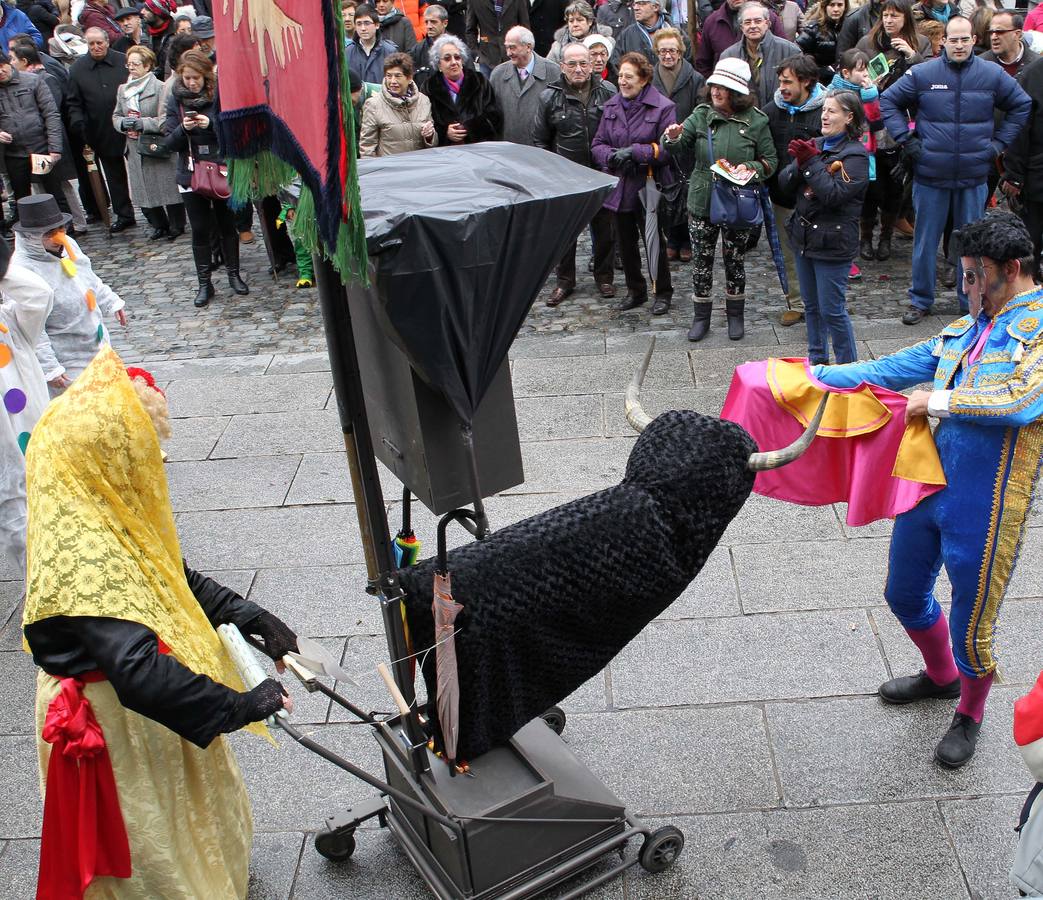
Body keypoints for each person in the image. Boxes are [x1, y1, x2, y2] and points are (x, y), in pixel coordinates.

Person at [22, 345, 298, 898]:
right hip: (118, 720)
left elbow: (171, 577)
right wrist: (239, 706)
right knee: (155, 844)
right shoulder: (85, 551)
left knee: (189, 813)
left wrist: (250, 616)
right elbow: (139, 671)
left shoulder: (95, 504)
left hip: (154, 709)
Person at [812, 210, 1043, 768]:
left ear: (1010, 270)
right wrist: (804, 376)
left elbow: (1021, 401)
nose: (965, 287)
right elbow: (894, 368)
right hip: (932, 486)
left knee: (972, 624)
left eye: (974, 276)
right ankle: (941, 677)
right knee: (903, 591)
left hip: (989, 503)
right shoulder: (968, 327)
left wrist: (934, 401)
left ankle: (970, 709)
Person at [881, 15, 1030, 325]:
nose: (959, 44)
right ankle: (920, 300)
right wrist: (907, 141)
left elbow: (1022, 105)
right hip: (930, 173)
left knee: (971, 244)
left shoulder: (991, 74)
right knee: (925, 240)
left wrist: (997, 145)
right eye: (954, 39)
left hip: (973, 175)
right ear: (943, 41)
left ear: (973, 40)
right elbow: (888, 101)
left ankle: (971, 300)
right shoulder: (923, 73)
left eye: (965, 39)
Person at [663, 57, 777, 341]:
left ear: (737, 93)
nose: (716, 91)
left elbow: (770, 161)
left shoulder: (756, 121)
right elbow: (676, 146)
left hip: (738, 201)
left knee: (734, 259)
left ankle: (735, 316)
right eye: (714, 85)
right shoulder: (701, 114)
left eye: (723, 87)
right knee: (701, 260)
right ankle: (701, 317)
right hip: (703, 199)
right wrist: (672, 137)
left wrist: (749, 169)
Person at [778, 90, 868, 363]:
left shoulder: (857, 157)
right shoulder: (816, 144)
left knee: (832, 310)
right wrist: (802, 164)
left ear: (849, 117)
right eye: (824, 110)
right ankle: (817, 361)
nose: (825, 116)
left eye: (832, 111)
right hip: (804, 239)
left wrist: (810, 163)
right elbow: (784, 183)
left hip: (833, 243)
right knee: (812, 307)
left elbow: (832, 195)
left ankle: (848, 369)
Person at [12, 194, 125, 394]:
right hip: (66, 358)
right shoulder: (22, 271)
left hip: (96, 344)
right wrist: (50, 367)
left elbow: (88, 277)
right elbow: (30, 327)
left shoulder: (68, 245)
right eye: (50, 233)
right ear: (31, 237)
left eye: (61, 229)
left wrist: (110, 301)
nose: (59, 236)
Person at [533, 41, 618, 304]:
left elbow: (617, 132)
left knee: (605, 231)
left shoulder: (608, 91)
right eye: (572, 64)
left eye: (583, 63)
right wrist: (552, 173)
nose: (578, 68)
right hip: (567, 177)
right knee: (566, 234)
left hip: (601, 173)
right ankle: (564, 281)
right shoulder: (548, 97)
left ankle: (605, 278)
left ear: (592, 65)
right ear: (562, 66)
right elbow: (539, 140)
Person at [592, 51, 676, 313]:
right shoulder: (612, 106)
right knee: (625, 244)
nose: (623, 81)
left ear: (643, 79)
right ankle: (635, 290)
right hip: (620, 187)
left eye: (629, 77)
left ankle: (662, 291)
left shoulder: (663, 107)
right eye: (620, 77)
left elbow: (667, 149)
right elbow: (597, 144)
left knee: (653, 242)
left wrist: (636, 152)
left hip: (648, 185)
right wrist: (612, 157)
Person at [164, 49, 248, 307]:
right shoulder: (175, 101)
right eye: (187, 78)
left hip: (219, 168)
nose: (191, 83)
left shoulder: (218, 96)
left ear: (206, 77)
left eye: (196, 78)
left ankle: (234, 274)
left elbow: (234, 133)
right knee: (199, 228)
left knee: (226, 224)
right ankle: (204, 282)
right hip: (191, 172)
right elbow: (169, 141)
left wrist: (210, 125)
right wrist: (183, 129)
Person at [856, 0, 929, 262]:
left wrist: (912, 55)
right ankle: (865, 237)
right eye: (885, 15)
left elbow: (929, 77)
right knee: (869, 184)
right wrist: (864, 81)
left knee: (895, 186)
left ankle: (886, 235)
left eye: (895, 16)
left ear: (905, 19)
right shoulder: (867, 42)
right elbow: (851, 73)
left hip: (903, 123)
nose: (889, 20)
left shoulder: (919, 42)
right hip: (869, 124)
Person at [0, 235, 51, 580]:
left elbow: (38, 295)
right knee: (12, 500)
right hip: (5, 444)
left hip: (31, 429)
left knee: (40, 493)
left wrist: (2, 270)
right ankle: (40, 581)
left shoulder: (10, 323)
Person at [763, 52, 824, 326]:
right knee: (788, 254)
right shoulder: (771, 110)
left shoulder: (825, 111)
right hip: (782, 196)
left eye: (788, 82)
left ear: (807, 82)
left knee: (819, 253)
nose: (782, 87)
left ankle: (823, 304)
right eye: (780, 82)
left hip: (816, 199)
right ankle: (797, 303)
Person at [67, 27, 137, 232]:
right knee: (113, 174)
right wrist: (78, 123)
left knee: (140, 170)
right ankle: (124, 214)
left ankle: (154, 211)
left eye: (99, 42)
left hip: (129, 125)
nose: (96, 47)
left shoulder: (123, 61)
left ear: (107, 41)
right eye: (91, 44)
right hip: (99, 129)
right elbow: (73, 102)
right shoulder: (78, 69)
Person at [113, 44, 184, 240]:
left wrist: (141, 123)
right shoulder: (123, 90)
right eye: (129, 65)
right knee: (144, 190)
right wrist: (121, 123)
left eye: (136, 64)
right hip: (135, 146)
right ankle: (158, 225)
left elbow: (165, 118)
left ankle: (177, 225)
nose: (132, 68)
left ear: (147, 65)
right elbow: (116, 115)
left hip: (156, 144)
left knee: (166, 186)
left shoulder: (160, 87)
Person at [652, 27, 703, 262]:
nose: (667, 55)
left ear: (680, 51)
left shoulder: (695, 78)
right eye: (662, 51)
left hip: (687, 143)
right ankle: (671, 237)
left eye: (672, 50)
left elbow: (701, 110)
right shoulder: (650, 78)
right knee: (666, 192)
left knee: (686, 192)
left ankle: (686, 240)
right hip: (660, 142)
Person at [0, 49, 71, 219]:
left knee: (55, 193)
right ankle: (30, 234)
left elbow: (51, 114)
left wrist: (54, 148)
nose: (0, 72)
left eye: (2, 66)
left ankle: (66, 229)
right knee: (22, 199)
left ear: (9, 63)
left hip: (41, 147)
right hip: (14, 152)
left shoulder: (32, 81)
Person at [422, 34, 503, 144]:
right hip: (445, 153)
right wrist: (445, 132)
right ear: (439, 65)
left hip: (478, 150)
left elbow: (494, 116)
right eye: (447, 58)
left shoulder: (479, 81)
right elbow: (425, 122)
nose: (454, 62)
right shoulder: (429, 87)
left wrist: (469, 128)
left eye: (457, 57)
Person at [1003, 56, 1043, 278]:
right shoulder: (1033, 74)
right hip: (1037, 178)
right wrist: (1015, 174)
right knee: (1030, 247)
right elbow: (1020, 126)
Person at [719, 1, 802, 103]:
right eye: (748, 22)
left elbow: (801, 90)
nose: (753, 26)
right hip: (743, 115)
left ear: (767, 24)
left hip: (781, 113)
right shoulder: (728, 56)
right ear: (742, 27)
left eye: (758, 21)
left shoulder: (790, 51)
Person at [489, 25, 559, 144]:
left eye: (513, 48)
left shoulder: (553, 72)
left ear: (528, 47)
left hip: (541, 152)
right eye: (507, 48)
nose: (508, 53)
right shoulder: (498, 74)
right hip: (508, 149)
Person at [360, 52, 437, 155]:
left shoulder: (424, 101)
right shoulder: (373, 105)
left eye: (397, 76)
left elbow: (433, 143)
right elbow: (367, 147)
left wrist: (430, 136)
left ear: (409, 78)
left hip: (419, 166)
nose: (392, 81)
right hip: (389, 169)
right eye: (389, 76)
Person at [695, 0, 788, 79]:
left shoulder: (768, 17)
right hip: (728, 92)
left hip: (767, 91)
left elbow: (785, 54)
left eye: (757, 21)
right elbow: (703, 63)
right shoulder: (712, 22)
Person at [611, 0, 687, 67]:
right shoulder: (626, 36)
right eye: (634, 4)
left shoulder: (678, 34)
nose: (636, 8)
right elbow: (616, 64)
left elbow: (686, 67)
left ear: (656, 7)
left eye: (641, 3)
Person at [466, 0, 530, 75]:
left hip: (514, 58)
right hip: (487, 59)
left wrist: (523, 52)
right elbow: (470, 30)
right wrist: (477, 55)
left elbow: (525, 29)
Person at [796, 0, 847, 82]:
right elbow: (797, 51)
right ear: (825, 7)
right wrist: (818, 70)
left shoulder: (849, 26)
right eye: (832, 5)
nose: (836, 9)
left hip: (843, 79)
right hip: (819, 80)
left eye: (840, 5)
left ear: (845, 7)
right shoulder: (813, 28)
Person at [547, 1, 611, 65]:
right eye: (571, 21)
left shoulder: (607, 43)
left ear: (590, 21)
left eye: (579, 20)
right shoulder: (558, 47)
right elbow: (549, 69)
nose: (575, 24)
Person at [346, 4, 397, 83]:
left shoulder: (390, 51)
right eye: (359, 24)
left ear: (377, 25)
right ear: (355, 27)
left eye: (367, 23)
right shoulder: (348, 52)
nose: (363, 28)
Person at [980, 10, 1038, 79]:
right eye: (991, 32)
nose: (993, 37)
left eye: (999, 32)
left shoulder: (1037, 64)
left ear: (1017, 34)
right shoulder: (980, 64)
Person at [410, 3, 447, 87]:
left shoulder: (457, 48)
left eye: (433, 22)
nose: (429, 26)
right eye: (426, 22)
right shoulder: (417, 50)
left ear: (445, 23)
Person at [141, 0, 177, 75]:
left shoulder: (175, 35)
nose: (142, 12)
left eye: (147, 9)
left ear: (158, 13)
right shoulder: (145, 32)